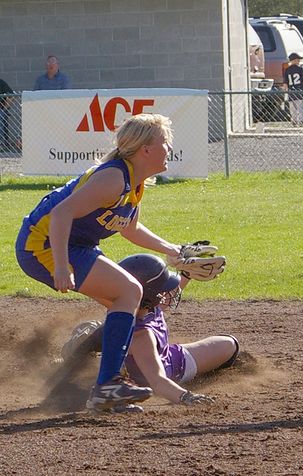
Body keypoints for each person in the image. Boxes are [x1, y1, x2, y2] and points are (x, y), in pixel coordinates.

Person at [15, 113, 187, 412]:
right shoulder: (114, 177)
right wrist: (58, 266)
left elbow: (130, 228)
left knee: (125, 301)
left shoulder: (133, 182)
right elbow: (60, 214)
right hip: (41, 244)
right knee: (129, 291)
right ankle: (108, 384)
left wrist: (173, 249)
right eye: (164, 142)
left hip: (77, 245)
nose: (168, 148)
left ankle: (108, 389)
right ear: (145, 149)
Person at [60, 253, 240, 412]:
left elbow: (165, 299)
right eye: (161, 290)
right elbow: (158, 382)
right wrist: (186, 397)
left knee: (229, 343)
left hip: (170, 354)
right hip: (173, 371)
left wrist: (186, 275)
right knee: (228, 346)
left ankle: (90, 349)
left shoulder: (137, 306)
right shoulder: (141, 336)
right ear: (149, 296)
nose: (165, 292)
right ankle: (87, 354)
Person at [282, 52, 303, 127]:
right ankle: (302, 121)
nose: (299, 61)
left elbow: (285, 83)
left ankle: (294, 121)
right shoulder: (300, 69)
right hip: (300, 90)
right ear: (294, 60)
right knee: (301, 107)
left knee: (293, 108)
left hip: (291, 92)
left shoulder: (287, 70)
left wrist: (286, 90)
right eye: (298, 59)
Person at [0, 77, 15, 151]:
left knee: (1, 116)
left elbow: (11, 96)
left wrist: (4, 109)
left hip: (1, 109)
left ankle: (1, 144)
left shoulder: (1, 82)